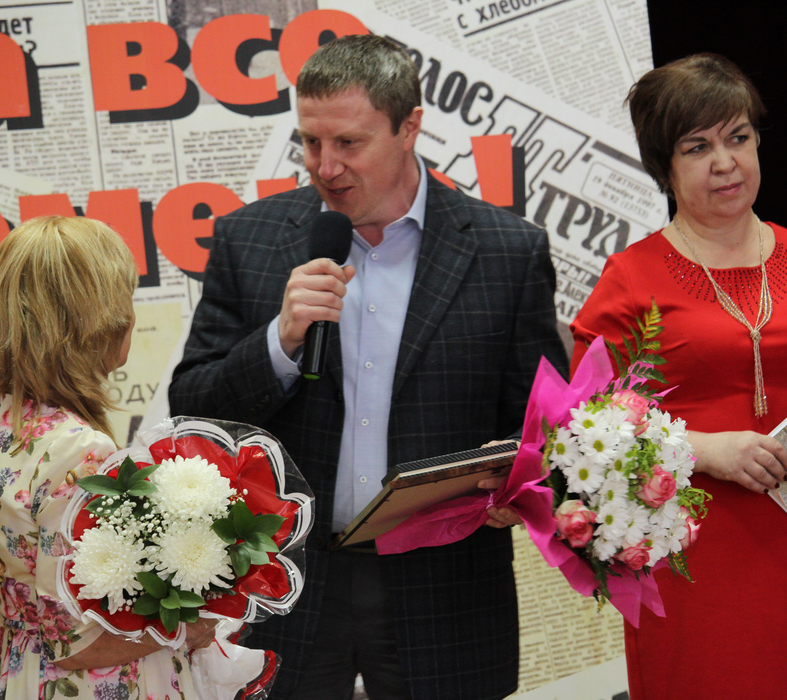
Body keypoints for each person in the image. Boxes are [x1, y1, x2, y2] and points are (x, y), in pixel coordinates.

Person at [168, 34, 567, 700]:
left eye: (349, 143)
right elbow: (192, 412)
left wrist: (519, 485)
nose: (325, 167)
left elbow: (544, 426)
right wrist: (280, 342)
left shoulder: (508, 252)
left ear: (409, 127)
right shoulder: (250, 239)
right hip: (284, 582)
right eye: (310, 142)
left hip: (446, 590)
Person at [570, 54, 787, 698]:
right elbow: (584, 431)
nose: (725, 162)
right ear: (664, 167)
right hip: (686, 559)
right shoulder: (630, 277)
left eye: (739, 137)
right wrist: (703, 450)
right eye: (697, 147)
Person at [0, 216, 216, 700]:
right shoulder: (78, 450)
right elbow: (75, 643)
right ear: (96, 319)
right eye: (124, 298)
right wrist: (192, 627)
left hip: (21, 671)